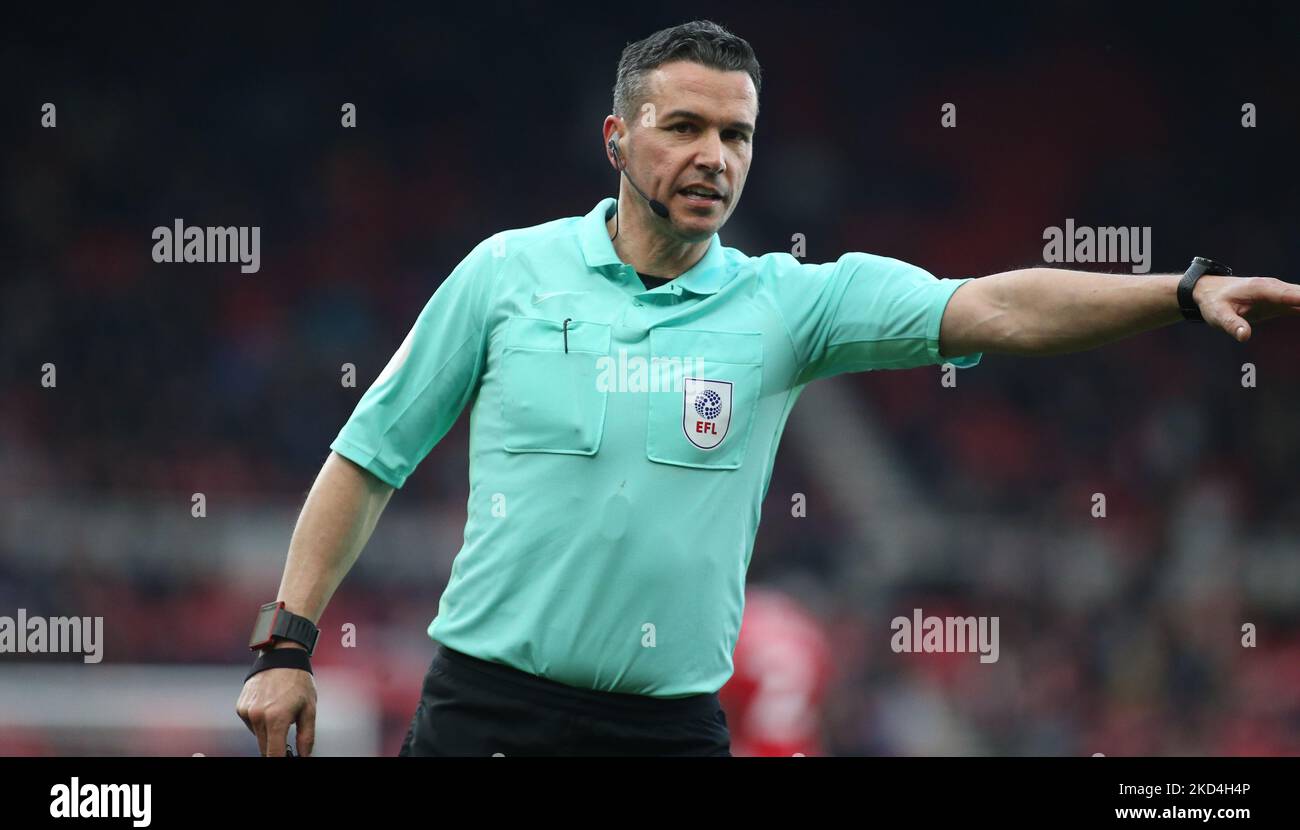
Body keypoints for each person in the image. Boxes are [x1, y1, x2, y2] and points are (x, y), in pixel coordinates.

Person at [236, 19, 1300, 757]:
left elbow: (992, 307)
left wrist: (1181, 289)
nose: (713, 156)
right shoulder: (505, 274)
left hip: (666, 730)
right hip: (486, 712)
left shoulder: (785, 306)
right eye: (684, 127)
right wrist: (287, 647)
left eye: (735, 134)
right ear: (618, 138)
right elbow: (368, 457)